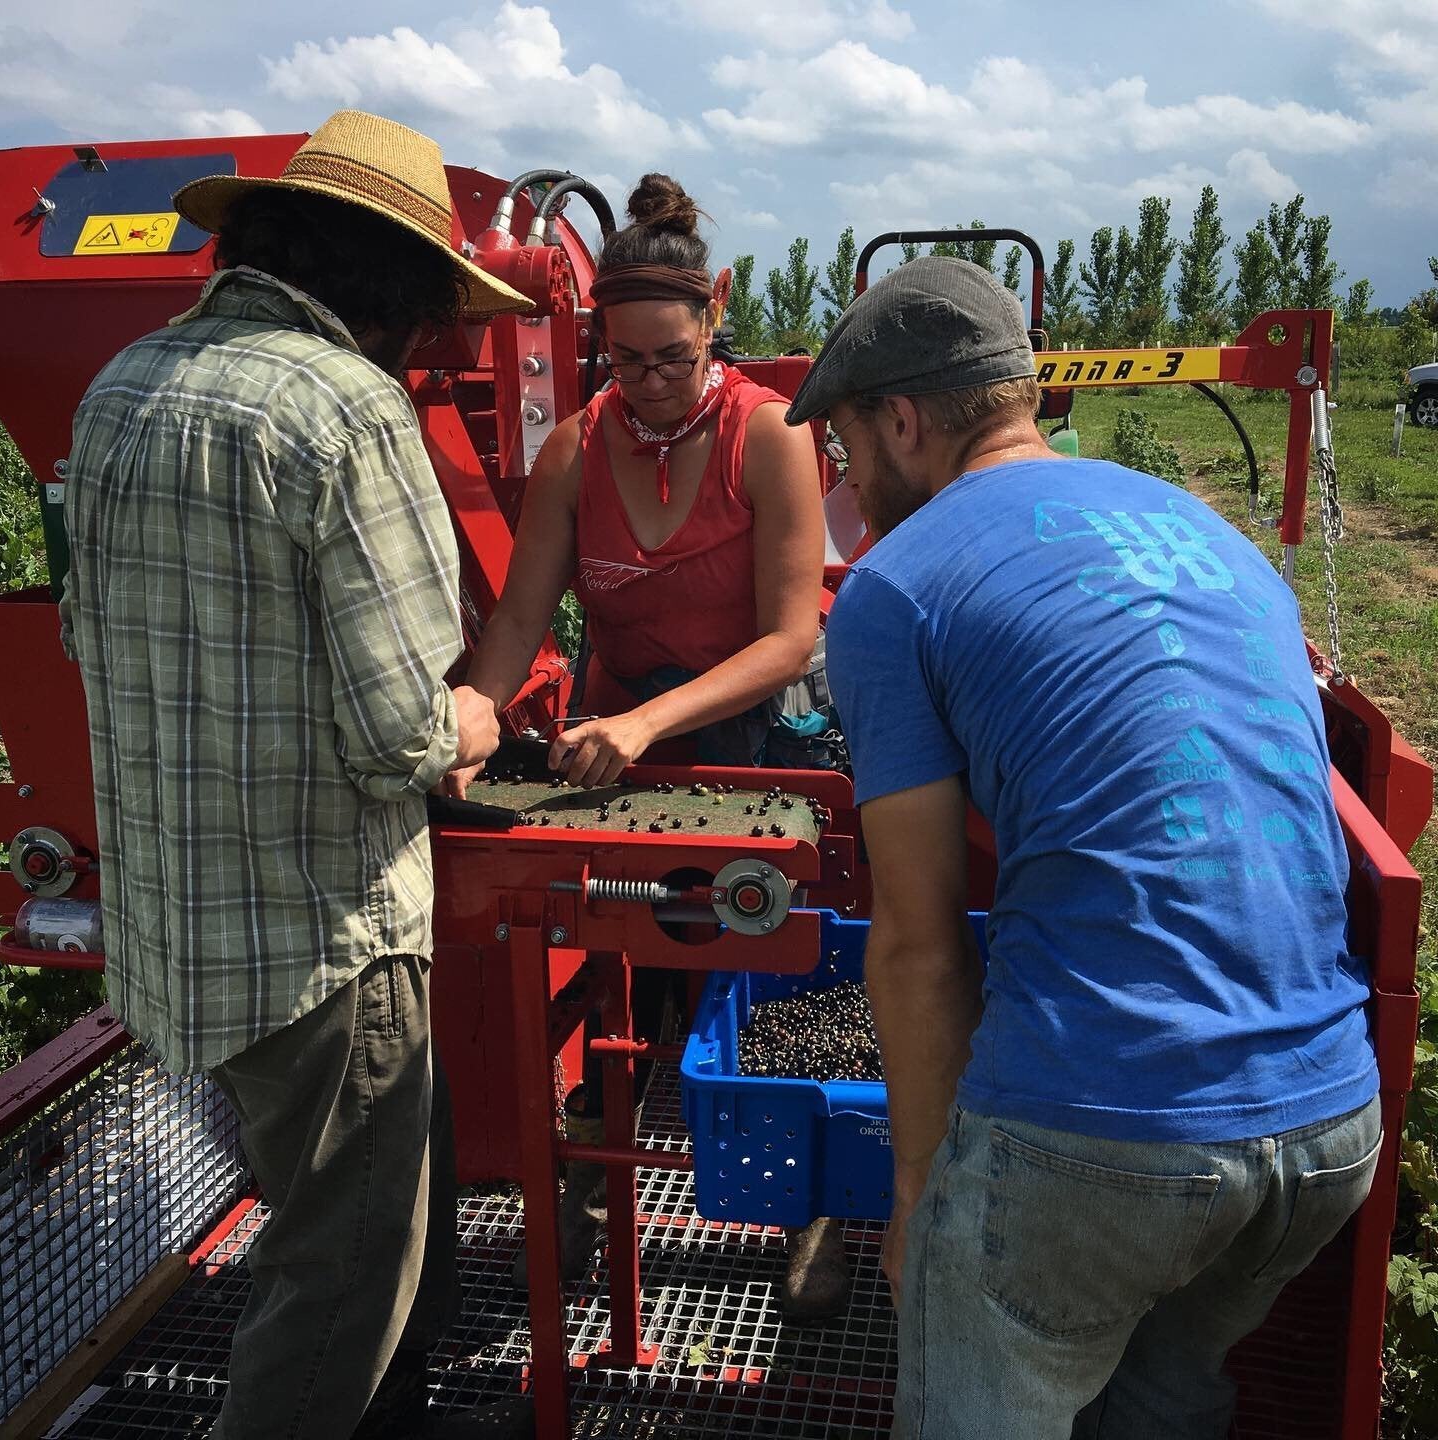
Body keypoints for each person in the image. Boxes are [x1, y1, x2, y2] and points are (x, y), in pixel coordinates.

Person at [787, 256, 1382, 1438]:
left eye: (849, 446)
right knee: (1160, 1409)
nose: (851, 482)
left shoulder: (896, 587)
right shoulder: (1209, 535)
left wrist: (917, 1198)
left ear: (901, 420)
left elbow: (916, 948)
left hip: (1105, 1130)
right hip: (1326, 1123)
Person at [58, 111, 532, 1439]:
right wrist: (482, 718)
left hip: (177, 932)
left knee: (319, 1215)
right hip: (318, 943)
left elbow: (89, 633)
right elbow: (399, 732)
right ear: (384, 289)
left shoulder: (122, 383)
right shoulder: (345, 406)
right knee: (338, 1281)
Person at [456, 173, 851, 1319]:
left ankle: (816, 1193)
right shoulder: (578, 451)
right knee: (631, 962)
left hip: (746, 742)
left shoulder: (770, 437)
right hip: (622, 756)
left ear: (716, 312)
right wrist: (474, 722)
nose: (651, 384)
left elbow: (790, 637)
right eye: (624, 363)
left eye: (671, 358)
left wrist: (639, 723)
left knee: (773, 954)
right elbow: (520, 623)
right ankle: (588, 1173)